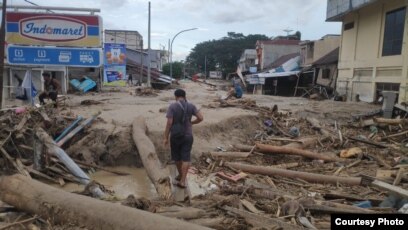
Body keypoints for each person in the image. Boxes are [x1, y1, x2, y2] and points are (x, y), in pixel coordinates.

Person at [164, 89, 203, 188]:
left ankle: (181, 175)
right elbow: (201, 118)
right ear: (185, 96)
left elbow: (169, 123)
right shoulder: (191, 105)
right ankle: (182, 181)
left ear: (176, 96)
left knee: (177, 157)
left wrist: (165, 137)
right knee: (186, 158)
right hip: (188, 135)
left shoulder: (172, 106)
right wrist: (192, 122)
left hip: (175, 135)